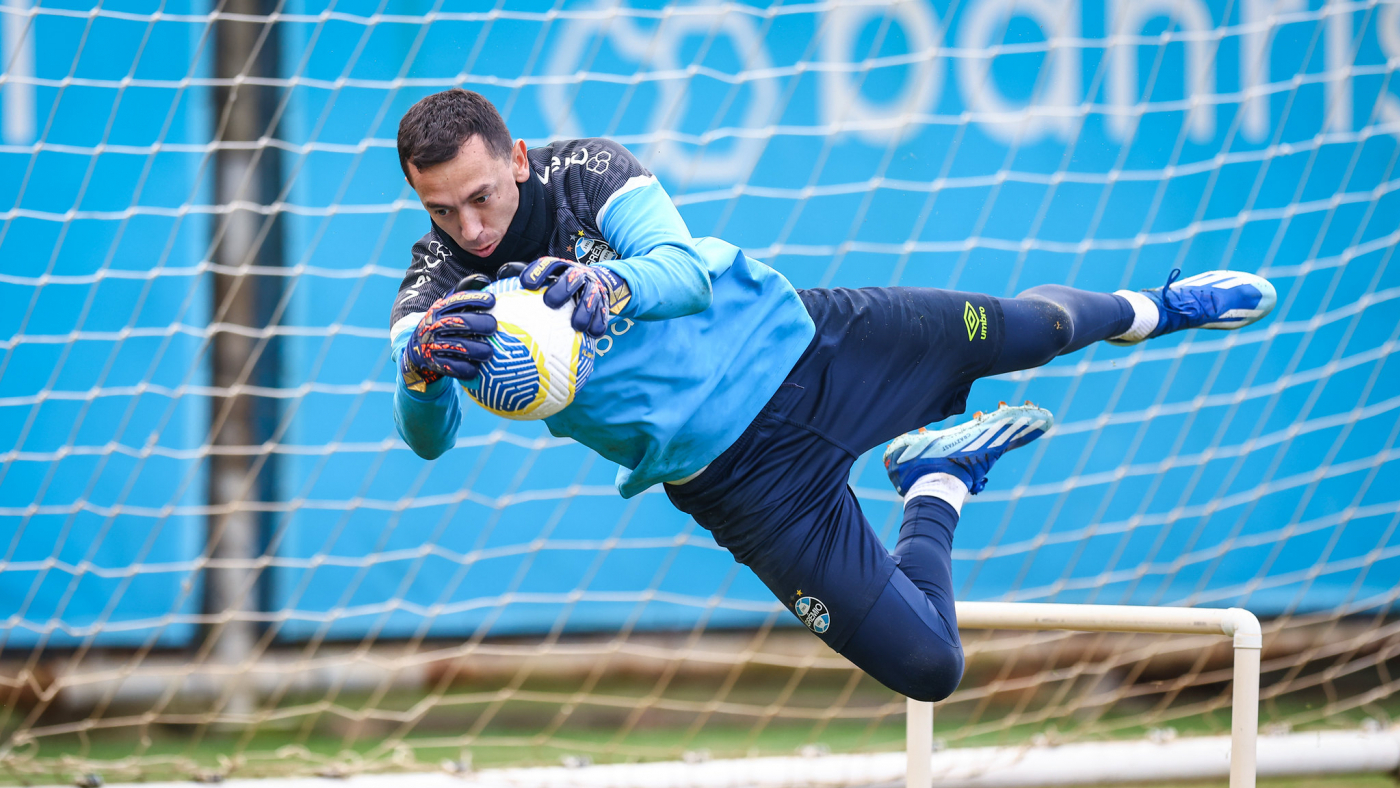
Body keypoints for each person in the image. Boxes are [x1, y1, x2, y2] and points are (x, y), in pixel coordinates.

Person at [389, 89, 1277, 702]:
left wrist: (615, 288)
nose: (471, 229)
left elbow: (686, 271)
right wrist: (421, 375)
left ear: (515, 159)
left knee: (1030, 332)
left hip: (818, 349)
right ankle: (941, 481)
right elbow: (427, 440)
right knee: (930, 666)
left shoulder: (584, 168)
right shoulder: (435, 294)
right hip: (745, 485)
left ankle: (1158, 306)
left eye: (482, 197)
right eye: (442, 213)